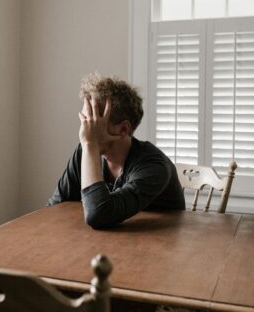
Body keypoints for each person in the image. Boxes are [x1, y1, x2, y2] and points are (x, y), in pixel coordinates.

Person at [47, 73, 185, 228]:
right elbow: (54, 208)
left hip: (160, 245)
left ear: (123, 129)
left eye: (93, 121)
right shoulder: (85, 151)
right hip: (105, 243)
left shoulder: (154, 166)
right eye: (85, 120)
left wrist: (90, 145)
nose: (85, 130)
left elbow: (99, 215)